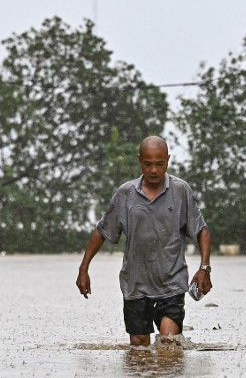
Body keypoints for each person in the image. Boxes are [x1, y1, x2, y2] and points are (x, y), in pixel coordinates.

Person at [76, 135, 212, 347]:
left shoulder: (180, 191)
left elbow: (201, 229)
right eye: (148, 164)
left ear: (168, 160)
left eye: (160, 164)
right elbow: (102, 231)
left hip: (172, 283)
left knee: (169, 344)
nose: (154, 170)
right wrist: (84, 268)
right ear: (140, 161)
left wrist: (205, 268)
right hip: (136, 285)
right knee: (139, 349)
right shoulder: (125, 194)